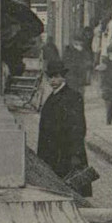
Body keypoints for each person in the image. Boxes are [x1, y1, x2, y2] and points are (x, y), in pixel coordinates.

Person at [37, 59, 92, 197]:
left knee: (69, 191)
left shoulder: (73, 97)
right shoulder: (51, 98)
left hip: (66, 154)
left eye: (56, 76)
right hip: (51, 154)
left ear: (63, 76)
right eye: (50, 77)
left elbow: (79, 128)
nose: (52, 81)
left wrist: (75, 155)